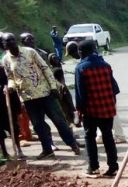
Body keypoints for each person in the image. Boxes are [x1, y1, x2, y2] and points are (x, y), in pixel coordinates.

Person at [2, 32, 80, 160]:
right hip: (28, 98)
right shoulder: (6, 60)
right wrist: (10, 87)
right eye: (7, 41)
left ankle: (72, 144)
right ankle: (47, 149)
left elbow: (45, 68)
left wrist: (53, 86)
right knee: (38, 125)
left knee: (59, 120)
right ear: (4, 45)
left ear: (15, 40)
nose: (10, 42)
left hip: (45, 93)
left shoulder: (30, 52)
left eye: (11, 39)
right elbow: (11, 77)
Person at [74, 40, 119, 177]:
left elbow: (80, 94)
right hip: (107, 109)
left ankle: (93, 167)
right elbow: (114, 89)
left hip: (91, 110)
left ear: (80, 52)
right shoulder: (106, 65)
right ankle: (113, 167)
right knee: (108, 137)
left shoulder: (81, 68)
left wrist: (79, 113)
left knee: (90, 137)